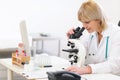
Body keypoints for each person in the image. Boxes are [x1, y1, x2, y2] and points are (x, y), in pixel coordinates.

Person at [66, 0, 120, 75]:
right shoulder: (91, 34)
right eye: (82, 22)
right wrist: (73, 40)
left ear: (98, 19)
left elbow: (115, 65)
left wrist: (88, 69)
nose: (84, 26)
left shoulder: (117, 33)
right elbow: (80, 53)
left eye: (87, 22)